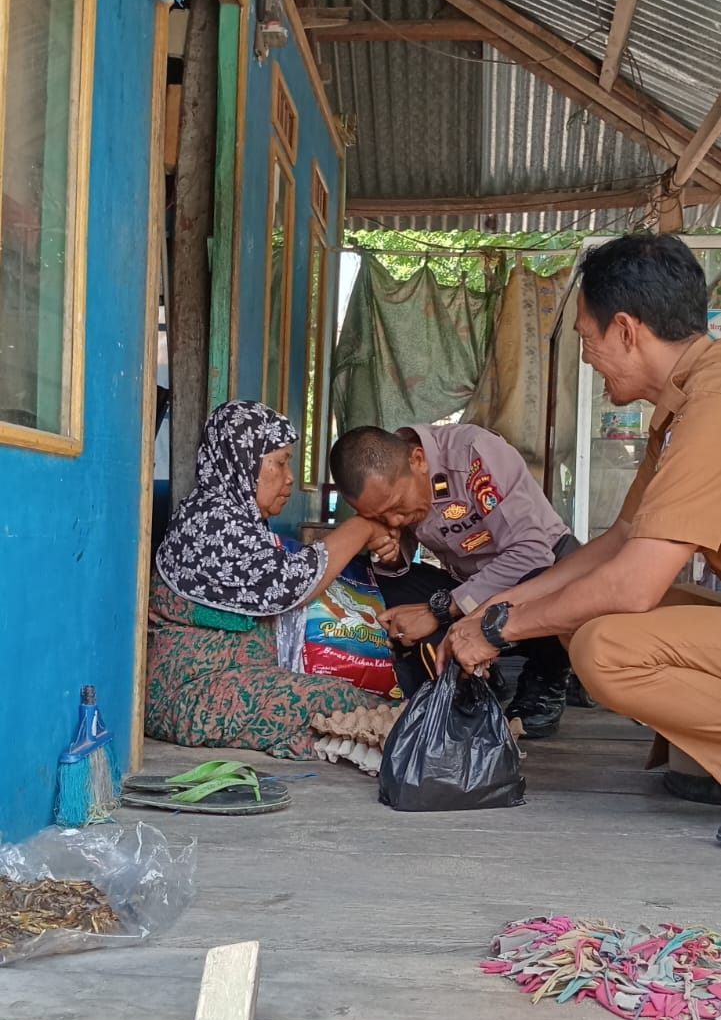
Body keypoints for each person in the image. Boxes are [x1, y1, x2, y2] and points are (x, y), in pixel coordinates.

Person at [442, 233, 721, 813]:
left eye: (587, 340)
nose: (587, 357)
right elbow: (619, 542)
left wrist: (499, 632)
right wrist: (500, 608)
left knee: (604, 646)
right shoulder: (685, 401)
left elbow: (632, 583)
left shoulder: (713, 405)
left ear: (625, 329)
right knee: (576, 615)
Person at [146, 400, 398, 755]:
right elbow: (292, 584)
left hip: (224, 677)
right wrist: (363, 527)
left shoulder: (233, 517)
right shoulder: (212, 523)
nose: (290, 477)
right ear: (243, 463)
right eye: (279, 463)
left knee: (342, 687)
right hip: (189, 691)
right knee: (335, 701)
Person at [329, 421, 579, 738]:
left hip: (539, 572)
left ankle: (549, 675)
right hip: (470, 585)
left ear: (418, 460)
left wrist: (440, 610)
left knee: (545, 583)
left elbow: (530, 554)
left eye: (395, 507)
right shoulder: (395, 483)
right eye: (380, 515)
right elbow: (399, 554)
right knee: (378, 583)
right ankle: (477, 675)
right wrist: (391, 555)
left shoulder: (473, 455)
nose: (393, 520)